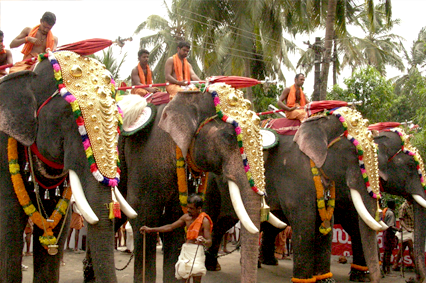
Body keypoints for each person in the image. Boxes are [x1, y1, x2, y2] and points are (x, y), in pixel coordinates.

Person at [140, 194, 212, 283]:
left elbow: (209, 242)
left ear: (199, 208)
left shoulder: (204, 221)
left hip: (197, 251)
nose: (188, 210)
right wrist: (151, 229)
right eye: (187, 207)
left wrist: (204, 241)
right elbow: (170, 227)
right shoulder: (186, 217)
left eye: (191, 208)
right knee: (183, 278)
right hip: (186, 250)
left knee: (196, 279)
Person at [392, 199, 415, 272]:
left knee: (402, 248)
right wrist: (407, 228)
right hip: (406, 231)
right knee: (411, 249)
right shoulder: (403, 207)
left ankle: (395, 264)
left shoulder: (412, 206)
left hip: (412, 229)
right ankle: (417, 266)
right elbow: (401, 220)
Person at [382, 199, 398, 275]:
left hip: (385, 233)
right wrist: (398, 229)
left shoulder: (386, 212)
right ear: (392, 205)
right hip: (389, 234)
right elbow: (390, 226)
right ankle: (388, 270)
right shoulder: (391, 213)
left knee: (386, 252)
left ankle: (383, 268)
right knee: (388, 252)